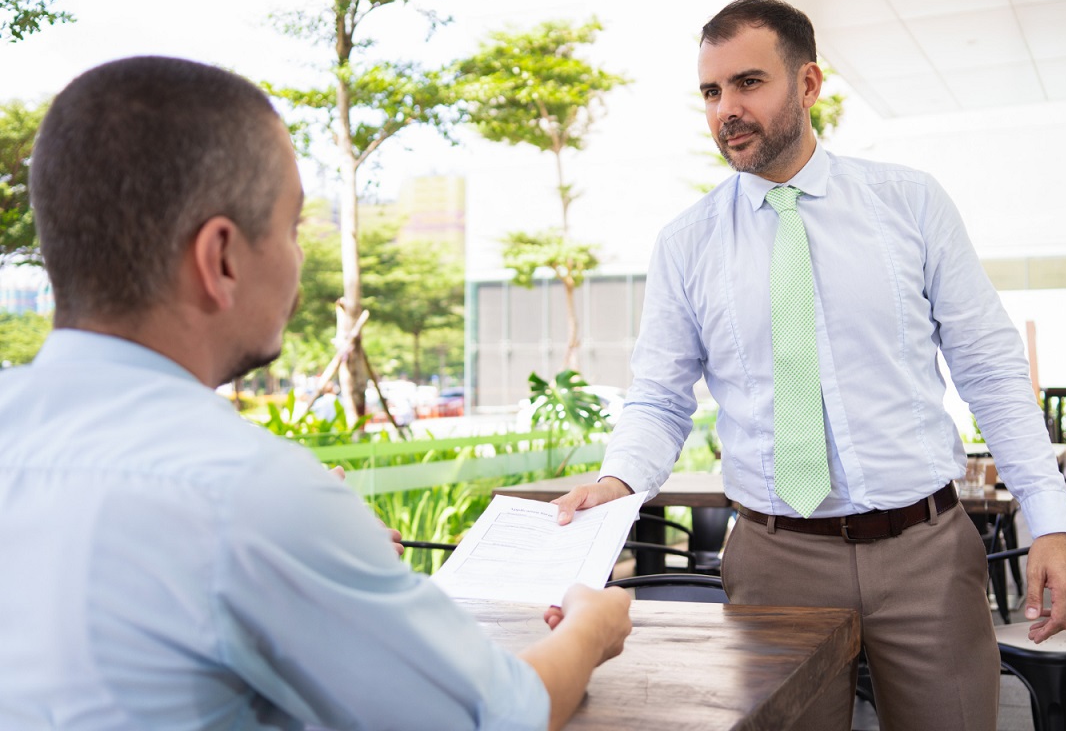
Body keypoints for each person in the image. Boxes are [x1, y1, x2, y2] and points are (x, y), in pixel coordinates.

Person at [0, 56, 631, 731]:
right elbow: (500, 716)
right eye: (293, 227)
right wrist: (591, 628)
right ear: (221, 258)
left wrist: (330, 551)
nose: (299, 259)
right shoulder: (251, 495)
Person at [553, 0, 1066, 730]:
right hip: (775, 561)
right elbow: (659, 397)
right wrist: (617, 483)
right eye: (711, 92)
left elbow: (988, 368)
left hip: (925, 553)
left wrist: (1050, 519)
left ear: (808, 85)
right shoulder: (687, 243)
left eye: (748, 83)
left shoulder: (910, 204)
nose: (726, 109)